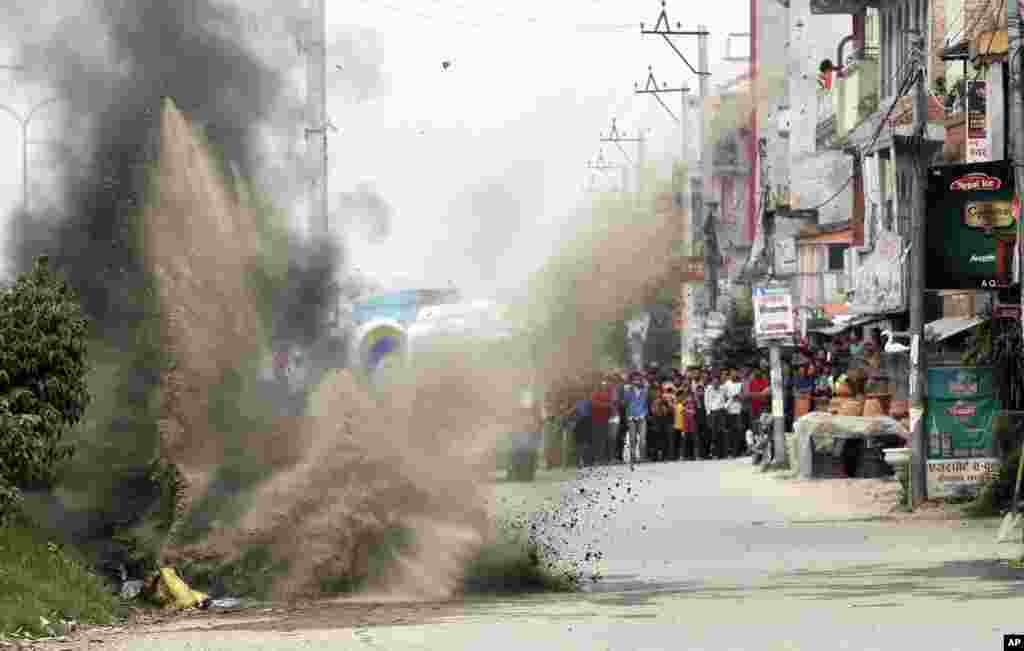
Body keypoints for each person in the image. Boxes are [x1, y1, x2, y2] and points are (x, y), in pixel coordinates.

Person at [623, 372, 648, 464]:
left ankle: (642, 457)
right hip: (631, 417)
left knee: (642, 439)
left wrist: (644, 414)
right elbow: (626, 404)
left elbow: (645, 405)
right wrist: (628, 416)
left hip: (641, 417)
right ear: (631, 381)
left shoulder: (644, 390)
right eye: (634, 379)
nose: (636, 381)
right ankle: (633, 457)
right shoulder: (628, 390)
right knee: (632, 439)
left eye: (638, 379)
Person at [591, 377, 616, 465]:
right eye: (603, 384)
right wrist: (606, 405)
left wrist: (607, 405)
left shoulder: (610, 392)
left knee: (608, 439)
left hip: (607, 418)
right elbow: (594, 403)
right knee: (599, 439)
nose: (604, 385)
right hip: (598, 418)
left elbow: (613, 402)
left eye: (606, 384)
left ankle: (607, 458)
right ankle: (598, 459)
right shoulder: (596, 393)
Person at [704, 372, 727, 459]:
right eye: (714, 382)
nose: (716, 383)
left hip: (721, 412)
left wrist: (725, 406)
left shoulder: (722, 389)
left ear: (719, 382)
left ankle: (722, 453)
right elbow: (706, 401)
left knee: (722, 432)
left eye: (717, 382)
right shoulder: (708, 389)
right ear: (712, 382)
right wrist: (708, 413)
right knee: (713, 433)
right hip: (712, 413)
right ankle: (714, 453)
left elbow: (728, 398)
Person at [723, 369, 745, 457]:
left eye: (735, 372)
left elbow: (744, 395)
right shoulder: (727, 384)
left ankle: (737, 451)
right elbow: (723, 396)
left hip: (739, 410)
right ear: (730, 374)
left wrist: (740, 397)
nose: (734, 374)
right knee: (731, 432)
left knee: (739, 431)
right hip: (729, 410)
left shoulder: (741, 383)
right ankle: (731, 451)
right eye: (732, 373)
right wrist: (730, 398)